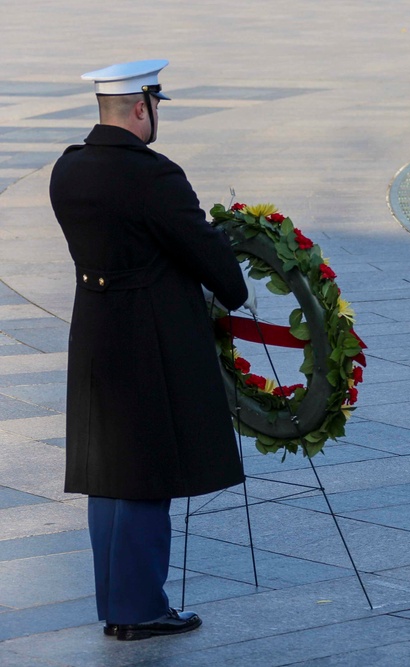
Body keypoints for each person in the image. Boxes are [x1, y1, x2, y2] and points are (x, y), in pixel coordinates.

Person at [49, 60, 254, 639]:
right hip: (150, 337)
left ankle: (119, 606)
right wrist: (233, 287)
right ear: (142, 107)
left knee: (107, 473)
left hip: (95, 332)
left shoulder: (67, 171)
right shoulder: (153, 175)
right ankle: (141, 610)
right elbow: (200, 249)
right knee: (146, 470)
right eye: (156, 105)